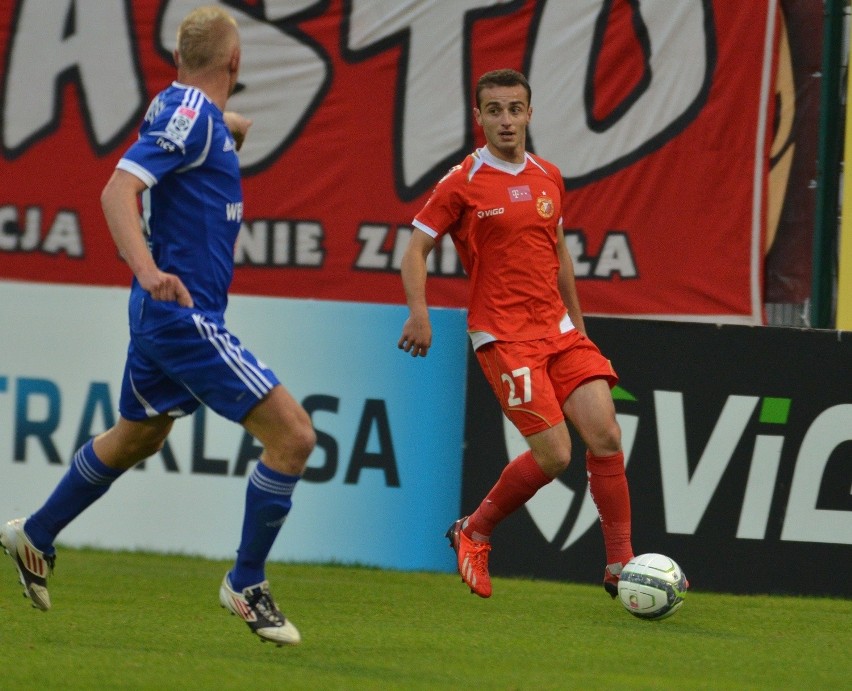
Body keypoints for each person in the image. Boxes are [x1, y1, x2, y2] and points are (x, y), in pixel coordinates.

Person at [0, 6, 315, 646]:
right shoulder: (193, 117)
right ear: (236, 62)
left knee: (139, 436)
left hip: (162, 319)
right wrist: (144, 269)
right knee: (294, 436)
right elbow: (117, 192)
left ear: (180, 60)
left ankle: (35, 532)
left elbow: (188, 138)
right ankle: (245, 584)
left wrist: (228, 133)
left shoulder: (186, 112)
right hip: (181, 316)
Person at [398, 69, 633, 599]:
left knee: (607, 435)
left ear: (530, 113)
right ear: (477, 117)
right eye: (495, 110)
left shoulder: (549, 175)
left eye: (515, 108)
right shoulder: (461, 181)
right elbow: (415, 248)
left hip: (560, 331)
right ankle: (474, 530)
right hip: (503, 336)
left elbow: (560, 255)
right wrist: (420, 311)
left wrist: (579, 326)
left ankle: (621, 565)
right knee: (555, 455)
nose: (506, 119)